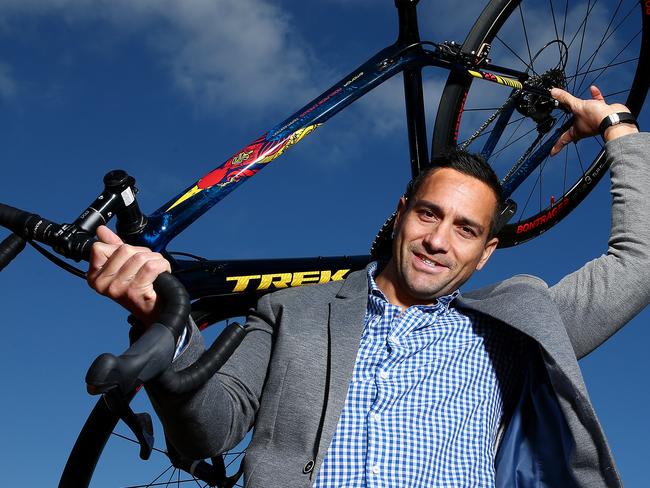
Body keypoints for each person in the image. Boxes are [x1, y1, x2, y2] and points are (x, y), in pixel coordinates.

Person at [88, 86, 649, 488]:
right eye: (429, 215)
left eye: (466, 229)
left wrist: (615, 124)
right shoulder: (293, 311)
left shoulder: (516, 328)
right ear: (401, 212)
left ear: (486, 254)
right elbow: (205, 432)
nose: (438, 241)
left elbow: (640, 260)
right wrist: (167, 323)